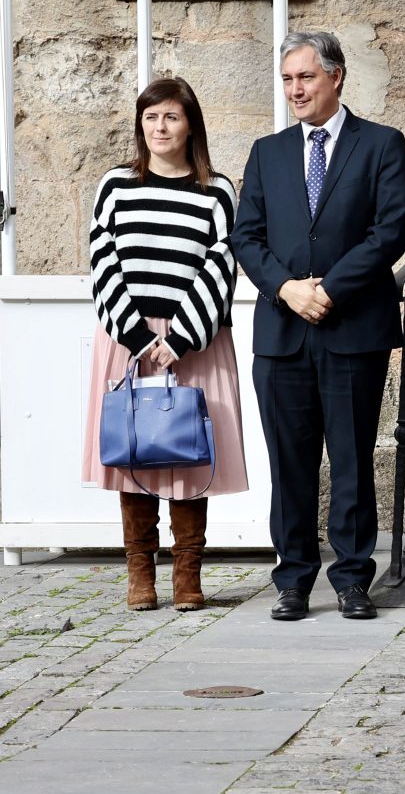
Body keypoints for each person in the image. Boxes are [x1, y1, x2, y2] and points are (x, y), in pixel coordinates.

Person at [234, 31, 405, 622]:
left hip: (352, 328)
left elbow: (389, 232)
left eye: (305, 78)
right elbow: (246, 236)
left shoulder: (383, 145)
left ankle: (353, 578)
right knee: (290, 463)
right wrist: (288, 289)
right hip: (283, 334)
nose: (295, 90)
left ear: (336, 76)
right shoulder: (267, 152)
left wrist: (329, 290)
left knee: (353, 457)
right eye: (288, 80)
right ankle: (292, 579)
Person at [83, 78, 247, 612]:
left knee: (187, 454)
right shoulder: (115, 186)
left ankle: (186, 575)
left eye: (171, 117)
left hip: (192, 341)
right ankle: (140, 575)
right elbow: (102, 259)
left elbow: (221, 263)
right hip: (128, 338)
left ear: (190, 124)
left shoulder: (216, 191)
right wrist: (138, 338)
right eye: (151, 118)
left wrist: (178, 337)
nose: (160, 128)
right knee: (136, 447)